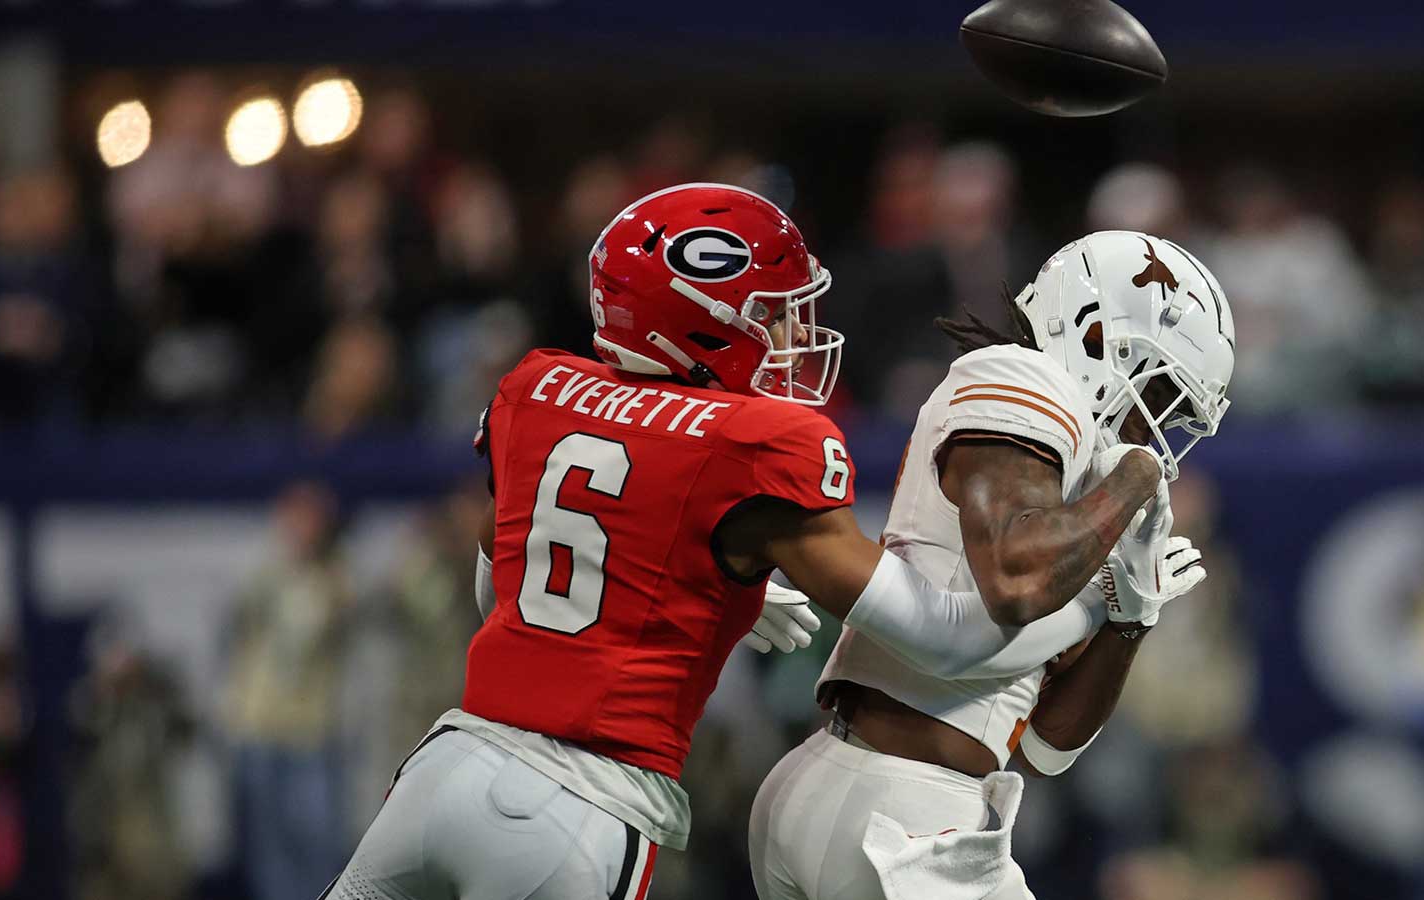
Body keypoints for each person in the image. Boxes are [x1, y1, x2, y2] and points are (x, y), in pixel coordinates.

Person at [324, 187, 1178, 900]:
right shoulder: (754, 444)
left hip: (443, 767)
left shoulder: (539, 389)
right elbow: (952, 638)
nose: (790, 338)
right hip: (581, 804)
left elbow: (500, 597)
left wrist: (686, 573)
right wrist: (1103, 602)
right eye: (772, 315)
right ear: (696, 319)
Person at [750, 231, 1237, 900]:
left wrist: (1132, 616)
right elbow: (1016, 582)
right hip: (900, 810)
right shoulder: (1020, 374)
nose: (1151, 430)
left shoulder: (1069, 493)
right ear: (1098, 336)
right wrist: (1135, 479)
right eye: (1159, 391)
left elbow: (1044, 750)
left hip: (903, 800)